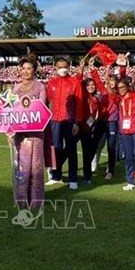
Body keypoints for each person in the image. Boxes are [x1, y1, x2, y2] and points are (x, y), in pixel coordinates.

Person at [9, 54, 48, 208]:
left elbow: (41, 110)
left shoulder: (40, 87)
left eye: (29, 68)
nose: (25, 71)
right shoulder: (16, 87)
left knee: (36, 167)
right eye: (23, 68)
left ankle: (36, 201)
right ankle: (21, 199)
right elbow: (10, 111)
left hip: (36, 133)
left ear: (34, 70)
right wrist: (10, 131)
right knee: (22, 167)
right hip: (20, 135)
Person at [46, 58, 83, 190]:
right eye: (60, 66)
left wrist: (77, 123)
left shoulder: (75, 83)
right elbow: (46, 101)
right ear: (55, 68)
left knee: (71, 151)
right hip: (55, 121)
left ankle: (73, 179)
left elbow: (79, 104)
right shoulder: (52, 83)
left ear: (69, 67)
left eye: (65, 66)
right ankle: (56, 176)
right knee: (56, 150)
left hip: (69, 122)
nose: (62, 69)